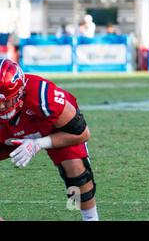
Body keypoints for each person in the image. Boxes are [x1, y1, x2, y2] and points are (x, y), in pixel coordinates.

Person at [0, 59, 99, 221]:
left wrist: (38, 143)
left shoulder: (43, 96)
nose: (2, 107)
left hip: (51, 130)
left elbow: (82, 134)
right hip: (6, 132)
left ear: (19, 93)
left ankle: (90, 218)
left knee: (76, 172)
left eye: (5, 101)